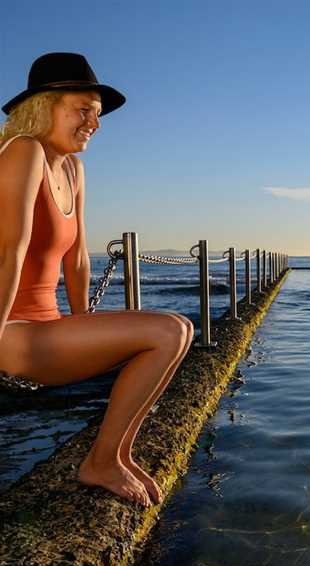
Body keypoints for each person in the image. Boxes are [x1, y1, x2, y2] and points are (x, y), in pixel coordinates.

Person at [0, 53, 193, 507]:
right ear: (45, 106)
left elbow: (78, 260)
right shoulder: (22, 151)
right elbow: (10, 250)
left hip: (46, 329)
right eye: (82, 110)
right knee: (167, 330)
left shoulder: (71, 167)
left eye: (98, 115)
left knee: (180, 328)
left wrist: (84, 324)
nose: (94, 124)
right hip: (11, 330)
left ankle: (117, 456)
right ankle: (101, 462)